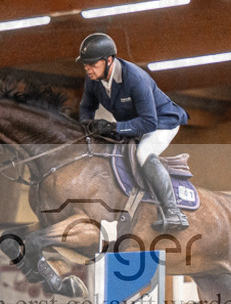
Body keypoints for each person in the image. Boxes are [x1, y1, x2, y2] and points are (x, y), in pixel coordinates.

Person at [76, 32, 190, 232]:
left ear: (109, 60)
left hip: (162, 122)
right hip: (133, 123)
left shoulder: (135, 78)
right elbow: (86, 107)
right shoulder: (93, 80)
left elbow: (148, 123)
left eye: (92, 64)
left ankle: (173, 212)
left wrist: (113, 127)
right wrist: (88, 126)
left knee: (143, 153)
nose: (88, 69)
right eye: (85, 64)